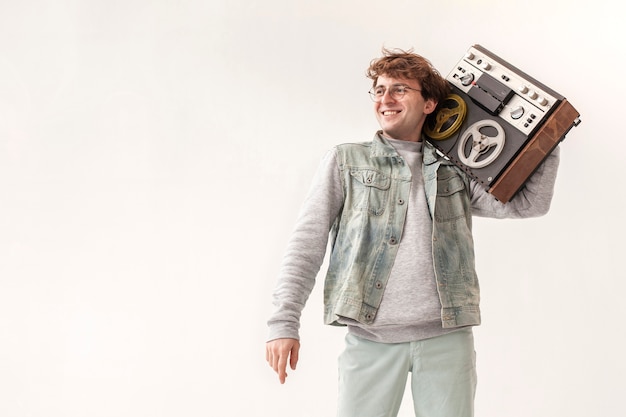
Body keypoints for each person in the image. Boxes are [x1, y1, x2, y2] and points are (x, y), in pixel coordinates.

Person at [265, 48, 560, 417]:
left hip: (446, 340)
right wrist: (283, 323)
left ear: (430, 103)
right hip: (369, 340)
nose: (385, 100)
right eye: (379, 90)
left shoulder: (457, 170)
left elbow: (529, 204)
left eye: (400, 89)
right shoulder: (345, 162)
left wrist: (549, 138)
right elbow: (306, 245)